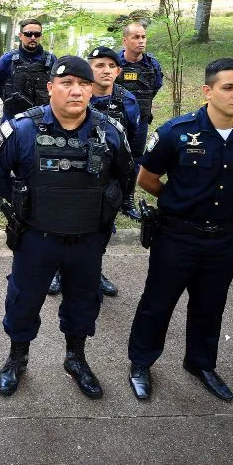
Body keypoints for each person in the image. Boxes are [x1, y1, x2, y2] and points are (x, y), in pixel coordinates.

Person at [126, 58, 233, 402]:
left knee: (211, 305)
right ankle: (141, 363)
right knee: (157, 303)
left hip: (224, 238)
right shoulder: (176, 132)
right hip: (177, 236)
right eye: (229, 88)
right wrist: (180, 202)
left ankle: (201, 364)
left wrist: (232, 204)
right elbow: (147, 178)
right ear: (208, 92)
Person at [0, 56, 135, 400]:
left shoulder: (109, 131)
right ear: (51, 88)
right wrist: (26, 205)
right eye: (67, 84)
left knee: (83, 300)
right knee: (24, 299)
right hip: (37, 237)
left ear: (92, 90)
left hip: (87, 238)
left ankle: (76, 358)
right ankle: (17, 359)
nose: (76, 91)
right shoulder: (22, 129)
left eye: (84, 84)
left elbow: (125, 175)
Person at [48, 44, 142, 298]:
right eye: (99, 65)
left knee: (100, 230)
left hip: (103, 181)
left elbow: (132, 146)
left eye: (111, 66)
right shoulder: (66, 97)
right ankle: (57, 270)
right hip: (67, 176)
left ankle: (94, 270)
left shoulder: (127, 102)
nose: (106, 71)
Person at [0, 18, 57, 123]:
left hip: (42, 118)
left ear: (41, 36)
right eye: (28, 34)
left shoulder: (51, 60)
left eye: (37, 34)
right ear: (20, 35)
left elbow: (57, 87)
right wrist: (10, 99)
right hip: (12, 117)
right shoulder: (7, 59)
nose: (33, 37)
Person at [114, 22, 164, 158]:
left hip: (141, 120)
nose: (141, 41)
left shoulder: (152, 65)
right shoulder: (113, 63)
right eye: (136, 37)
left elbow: (155, 87)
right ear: (125, 41)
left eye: (143, 37)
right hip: (115, 118)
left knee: (135, 157)